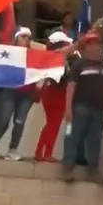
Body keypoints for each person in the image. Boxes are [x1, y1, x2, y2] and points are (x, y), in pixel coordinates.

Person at [0, 27, 40, 160]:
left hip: (26, 93)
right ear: (17, 38)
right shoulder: (7, 52)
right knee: (4, 119)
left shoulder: (33, 53)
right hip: (9, 91)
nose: (26, 40)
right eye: (23, 36)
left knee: (20, 122)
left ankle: (13, 149)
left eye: (28, 37)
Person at [61, 32, 103, 184]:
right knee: (72, 137)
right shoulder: (79, 65)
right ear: (86, 47)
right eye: (91, 44)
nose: (95, 47)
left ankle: (93, 170)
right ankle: (68, 168)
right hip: (80, 107)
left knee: (95, 139)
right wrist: (68, 108)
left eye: (97, 44)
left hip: (99, 109)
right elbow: (71, 87)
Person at [35, 31, 75, 161]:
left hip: (50, 91)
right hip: (55, 91)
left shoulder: (52, 56)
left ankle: (40, 152)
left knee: (51, 123)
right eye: (65, 42)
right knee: (54, 123)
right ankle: (46, 154)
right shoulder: (57, 56)